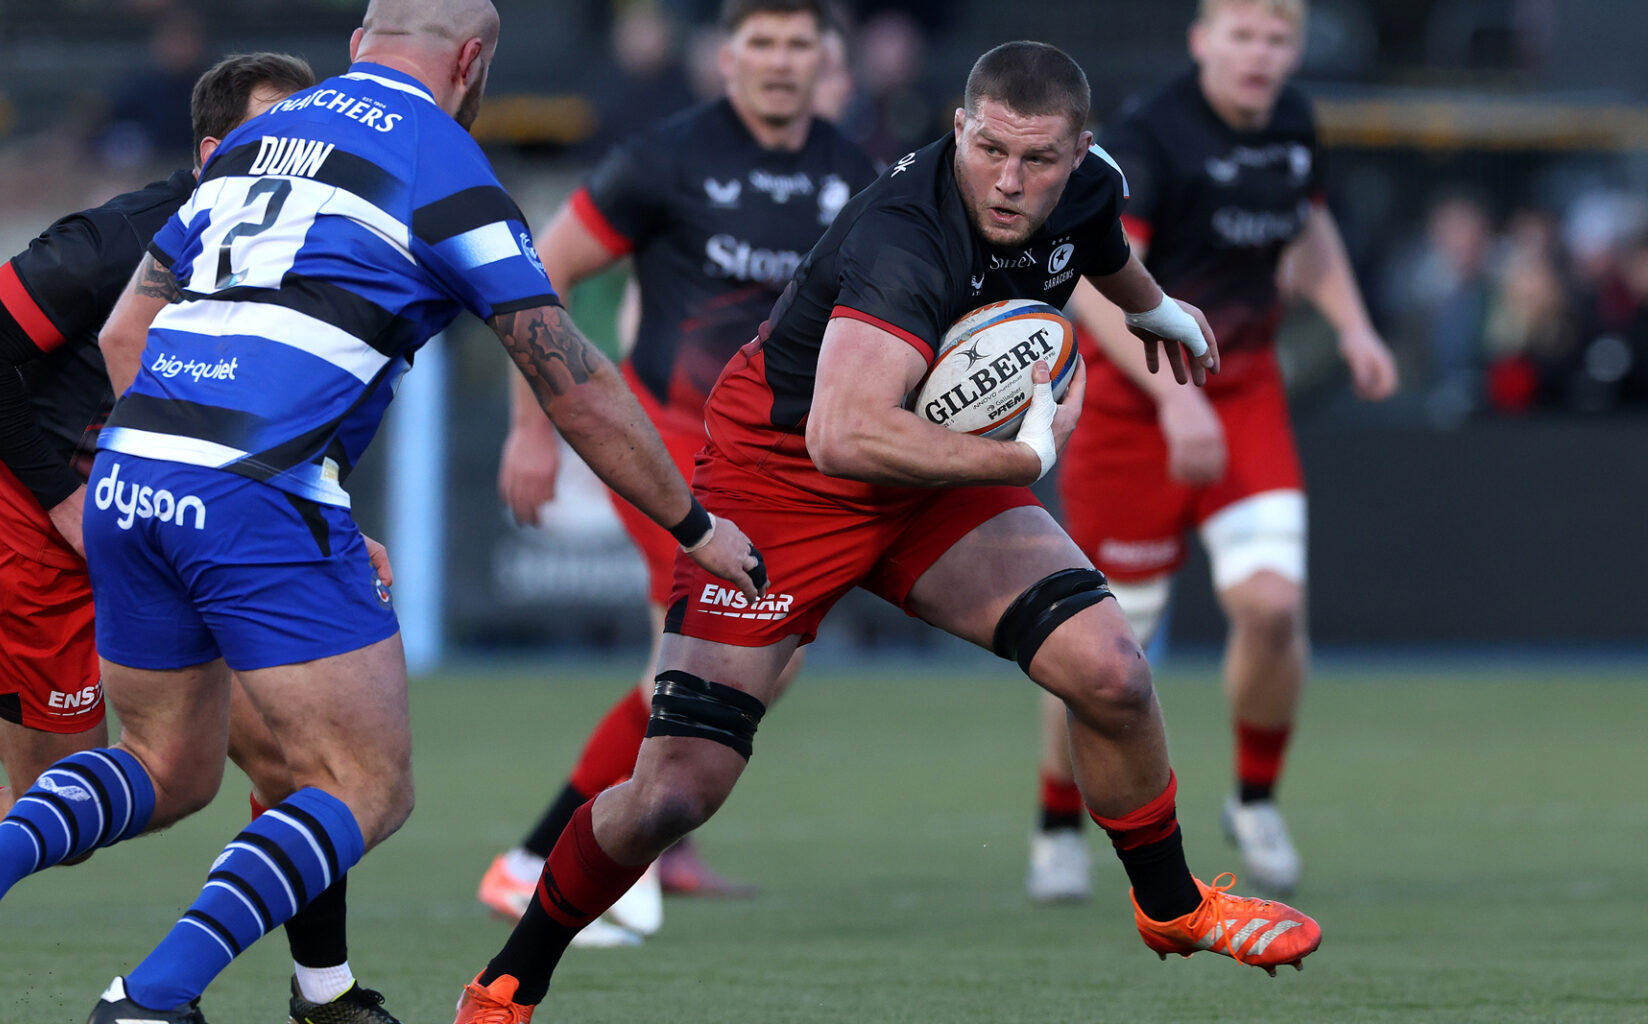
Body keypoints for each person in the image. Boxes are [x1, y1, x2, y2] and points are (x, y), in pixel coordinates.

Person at [0, 3, 763, 1023]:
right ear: (471, 62)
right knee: (365, 786)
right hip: (250, 493)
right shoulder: (444, 161)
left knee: (168, 768)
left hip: (134, 473)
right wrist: (696, 525)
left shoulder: (252, 142)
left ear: (355, 46)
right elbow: (575, 380)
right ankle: (150, 997)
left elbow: (127, 332)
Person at [453, 39, 1324, 1022]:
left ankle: (1171, 906)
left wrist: (1156, 308)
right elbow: (842, 433)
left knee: (1112, 669)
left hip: (928, 460)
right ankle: (509, 979)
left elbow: (1100, 244)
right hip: (786, 474)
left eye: (1038, 160)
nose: (1009, 179)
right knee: (673, 791)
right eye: (990, 149)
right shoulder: (905, 238)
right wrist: (1020, 457)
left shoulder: (1086, 184)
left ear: (1080, 152)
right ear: (959, 126)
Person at [0, 52, 402, 1024]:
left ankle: (325, 991)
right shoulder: (116, 242)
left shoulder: (300, 249)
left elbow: (269, 416)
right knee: (64, 805)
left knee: (300, 757)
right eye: (278, 140)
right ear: (217, 151)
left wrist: (330, 517)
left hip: (185, 531)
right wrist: (61, 495)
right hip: (34, 545)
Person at [483, 0, 876, 941]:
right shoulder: (668, 156)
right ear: (727, 57)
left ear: (827, 60)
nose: (781, 61)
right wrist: (534, 429)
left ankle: (660, 837)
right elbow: (541, 273)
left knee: (759, 669)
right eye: (763, 43)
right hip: (674, 456)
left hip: (781, 464)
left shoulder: (854, 174)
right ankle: (536, 859)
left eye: (799, 44)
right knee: (709, 664)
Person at [1027, 0, 1397, 904]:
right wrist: (1172, 398)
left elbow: (1307, 229)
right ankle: (1056, 821)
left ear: (1294, 48)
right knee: (1105, 653)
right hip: (1131, 410)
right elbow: (1096, 288)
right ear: (1203, 42)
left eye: (1277, 37)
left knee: (1272, 606)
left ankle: (1256, 800)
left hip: (1243, 392)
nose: (1260, 54)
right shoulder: (1148, 138)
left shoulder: (1296, 121)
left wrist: (1353, 326)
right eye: (1242, 34)